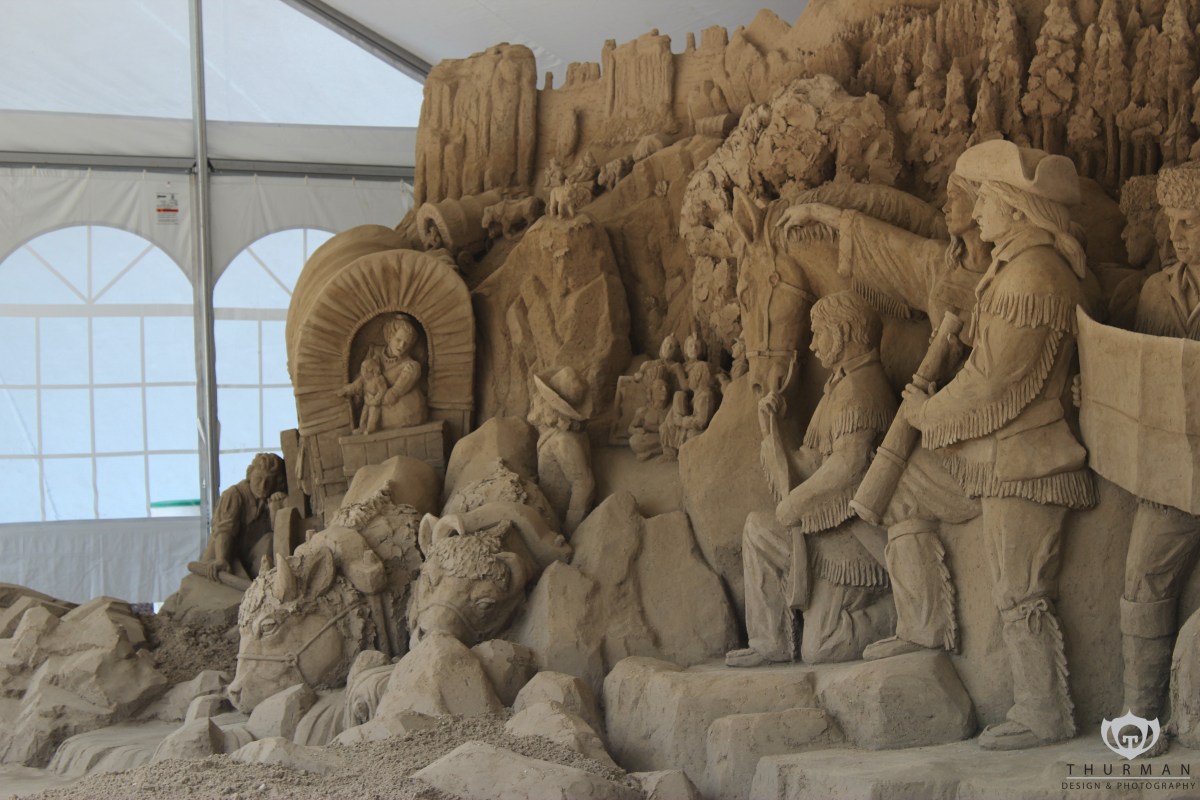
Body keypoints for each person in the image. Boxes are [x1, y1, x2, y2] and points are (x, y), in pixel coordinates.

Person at [898, 140, 1095, 750]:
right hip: (1003, 451)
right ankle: (923, 626)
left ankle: (1043, 711)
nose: (976, 210)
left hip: (1027, 456)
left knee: (1019, 587)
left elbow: (993, 383)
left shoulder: (1033, 275)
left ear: (1014, 206)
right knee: (909, 494)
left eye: (985, 198)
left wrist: (927, 413)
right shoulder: (1016, 268)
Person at [726, 291, 896, 666]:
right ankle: (770, 641)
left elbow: (849, 466)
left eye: (819, 333)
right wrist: (772, 431)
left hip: (854, 540)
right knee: (758, 528)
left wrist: (795, 504)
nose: (813, 344)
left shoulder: (861, 388)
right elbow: (812, 464)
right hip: (827, 527)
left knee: (823, 647)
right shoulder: (839, 386)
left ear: (843, 331)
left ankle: (896, 611)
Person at [1118, 161, 1200, 753]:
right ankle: (1140, 719)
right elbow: (1141, 373)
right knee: (1143, 580)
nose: (1178, 234)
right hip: (1171, 470)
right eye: (1173, 222)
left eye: (1190, 222)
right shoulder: (1155, 291)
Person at [198, 453, 288, 582]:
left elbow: (276, 534)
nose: (262, 486)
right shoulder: (234, 495)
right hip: (226, 557)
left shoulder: (270, 499)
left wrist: (281, 504)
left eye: (269, 481)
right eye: (258, 479)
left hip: (249, 562)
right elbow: (224, 530)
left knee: (269, 538)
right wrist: (222, 559)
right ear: (250, 475)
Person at [528, 366, 595, 536]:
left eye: (541, 397)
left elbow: (584, 484)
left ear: (549, 406)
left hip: (556, 519)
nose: (535, 399)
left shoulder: (563, 441)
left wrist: (569, 529)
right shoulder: (556, 434)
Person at [369, 315, 428, 430]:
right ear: (389, 336)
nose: (402, 346)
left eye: (406, 343)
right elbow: (363, 378)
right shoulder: (375, 353)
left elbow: (391, 396)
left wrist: (377, 399)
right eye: (398, 340)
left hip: (405, 415)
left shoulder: (410, 366)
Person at [337, 355, 389, 435]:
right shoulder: (363, 379)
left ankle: (370, 428)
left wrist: (376, 399)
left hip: (375, 402)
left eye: (365, 370)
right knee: (364, 415)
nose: (362, 373)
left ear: (372, 371)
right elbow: (354, 386)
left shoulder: (379, 379)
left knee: (373, 414)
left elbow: (382, 390)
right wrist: (345, 390)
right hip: (367, 400)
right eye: (362, 370)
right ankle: (362, 427)